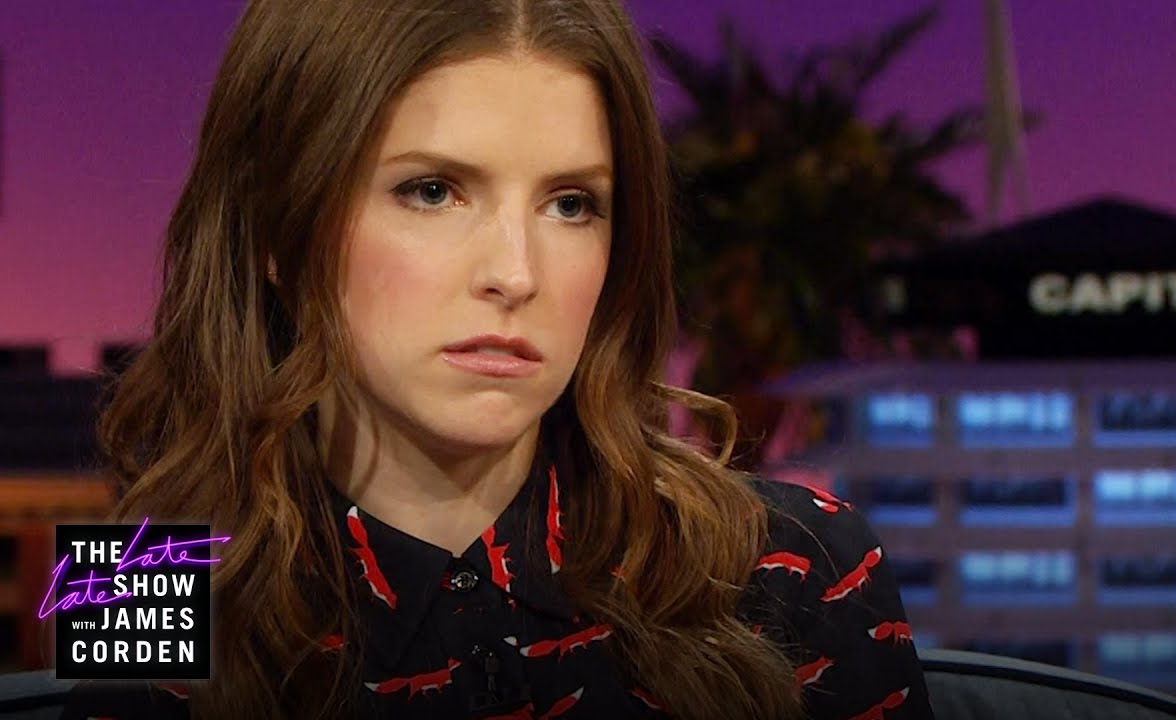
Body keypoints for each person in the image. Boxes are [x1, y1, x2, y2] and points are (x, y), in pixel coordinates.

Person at [59, 0, 933, 718]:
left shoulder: (795, 564)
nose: (517, 274)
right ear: (277, 232)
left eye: (571, 204)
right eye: (433, 190)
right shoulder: (136, 589)